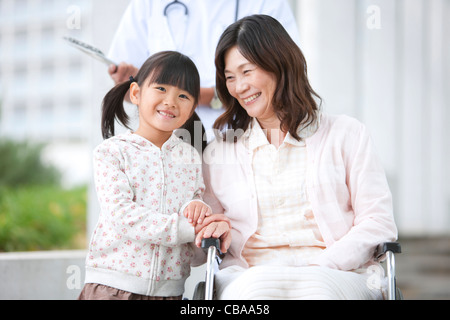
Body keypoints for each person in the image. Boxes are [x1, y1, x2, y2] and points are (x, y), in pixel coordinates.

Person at [202, 15, 398, 300]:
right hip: (250, 275)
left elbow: (378, 223)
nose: (239, 87)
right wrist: (210, 228)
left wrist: (325, 264)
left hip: (339, 273)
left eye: (247, 71)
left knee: (318, 292)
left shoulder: (347, 134)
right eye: (230, 77)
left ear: (279, 64)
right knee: (255, 295)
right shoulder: (219, 153)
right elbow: (204, 239)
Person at [78, 51, 230, 300]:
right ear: (136, 93)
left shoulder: (191, 158)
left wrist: (198, 210)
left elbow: (194, 228)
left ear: (192, 108)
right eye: (161, 88)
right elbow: (122, 216)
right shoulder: (112, 152)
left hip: (170, 294)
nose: (171, 101)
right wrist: (187, 228)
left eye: (183, 96)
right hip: (112, 289)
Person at [106, 0, 300, 140]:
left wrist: (196, 95)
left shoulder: (265, 3)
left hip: (239, 138)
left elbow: (287, 74)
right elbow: (128, 90)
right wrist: (130, 80)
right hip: (167, 145)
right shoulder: (148, 4)